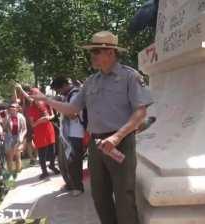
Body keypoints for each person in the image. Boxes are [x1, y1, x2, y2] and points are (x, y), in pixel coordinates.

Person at [17, 31, 153, 224]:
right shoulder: (91, 81)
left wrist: (117, 137)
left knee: (124, 196)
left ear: (111, 53)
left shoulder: (130, 76)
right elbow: (73, 108)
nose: (92, 56)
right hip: (96, 144)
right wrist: (47, 100)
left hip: (120, 142)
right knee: (99, 196)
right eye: (91, 51)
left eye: (96, 51)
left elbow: (140, 113)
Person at [50, 76, 85, 197]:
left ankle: (77, 187)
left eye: (59, 89)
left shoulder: (74, 95)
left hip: (76, 133)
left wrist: (59, 106)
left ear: (65, 85)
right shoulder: (68, 96)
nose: (58, 92)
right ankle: (71, 184)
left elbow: (73, 115)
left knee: (74, 161)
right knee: (66, 162)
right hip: (68, 133)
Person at [18, 88, 60, 180]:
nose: (36, 98)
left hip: (49, 130)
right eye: (34, 96)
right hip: (39, 132)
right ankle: (44, 171)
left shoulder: (46, 103)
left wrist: (49, 117)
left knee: (52, 151)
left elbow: (53, 115)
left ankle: (52, 166)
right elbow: (32, 124)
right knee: (42, 153)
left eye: (37, 95)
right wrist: (40, 121)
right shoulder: (31, 109)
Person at [2, 103, 27, 179]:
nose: (11, 109)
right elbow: (4, 128)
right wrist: (5, 118)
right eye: (10, 107)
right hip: (9, 138)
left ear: (17, 109)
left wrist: (22, 137)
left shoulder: (21, 117)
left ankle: (18, 171)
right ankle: (10, 172)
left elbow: (24, 129)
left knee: (17, 155)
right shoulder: (7, 117)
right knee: (9, 156)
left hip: (18, 137)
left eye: (13, 107)